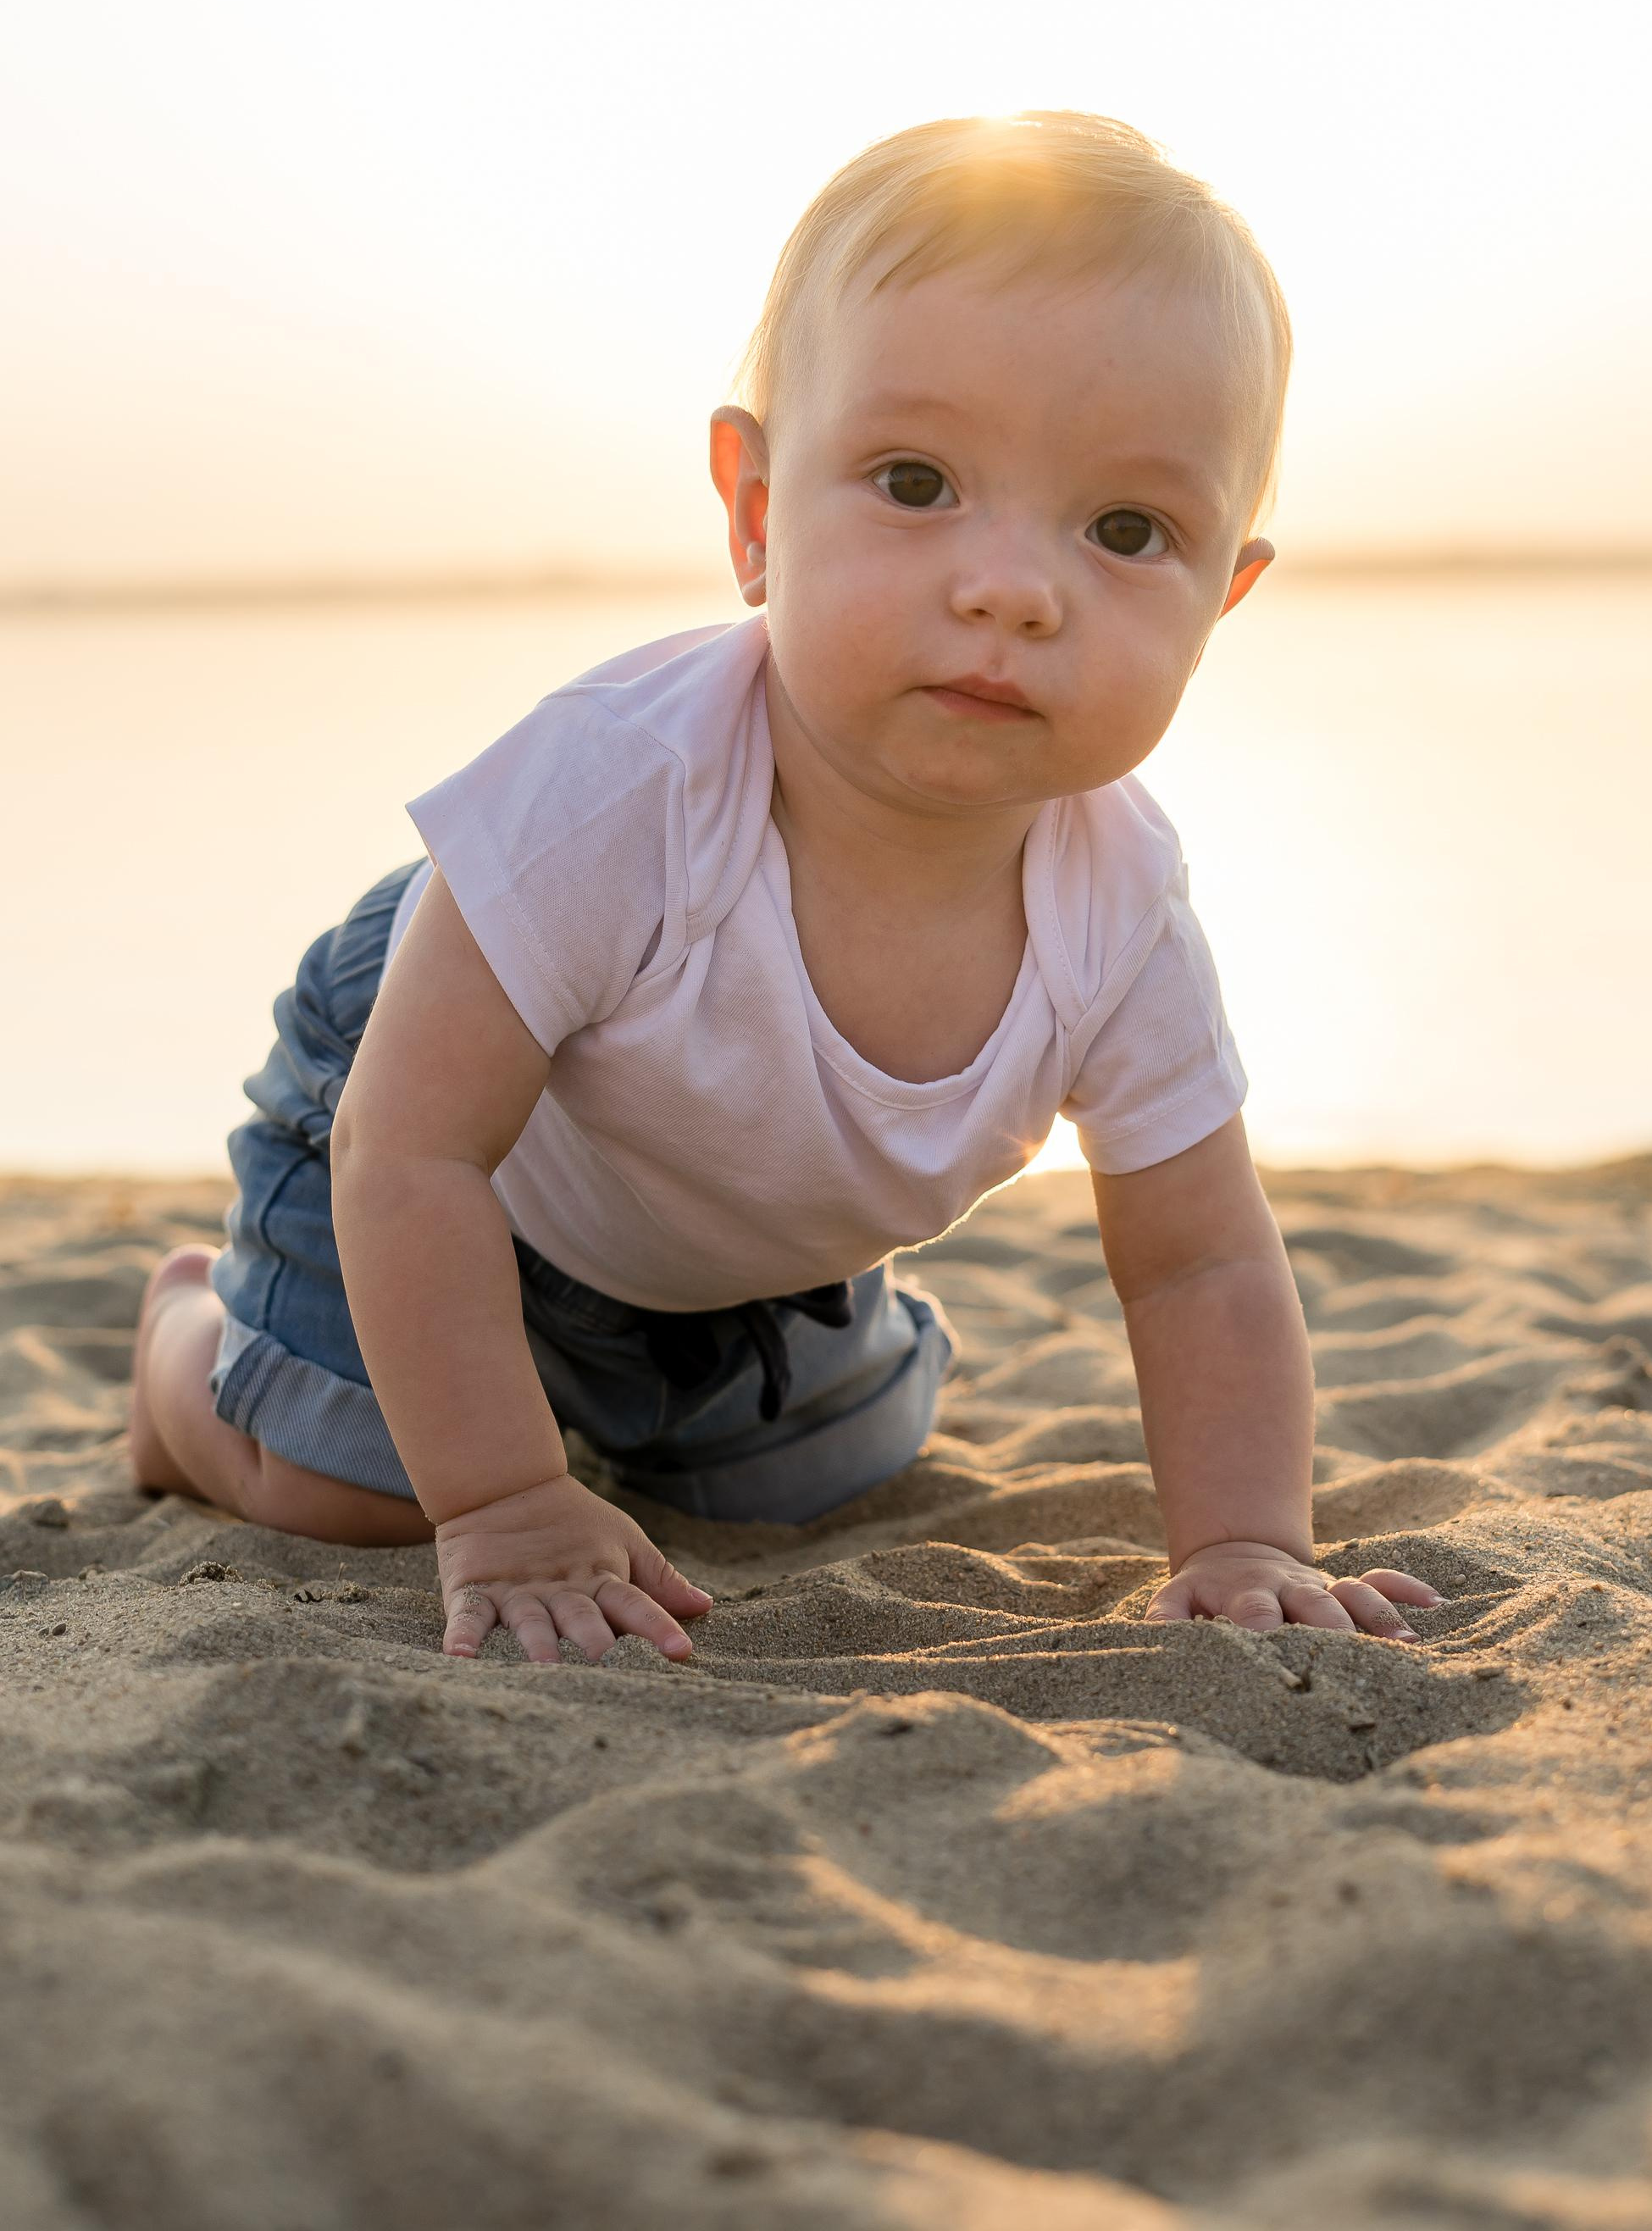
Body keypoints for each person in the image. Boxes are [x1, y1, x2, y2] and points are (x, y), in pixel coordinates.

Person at [127, 110, 1443, 1667]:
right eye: (914, 480)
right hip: (434, 1146)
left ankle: (666, 1394)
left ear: (1223, 595)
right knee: (355, 1489)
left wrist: (1242, 1541)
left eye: (1127, 530)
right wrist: (503, 1505)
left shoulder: (1122, 904)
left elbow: (1203, 1259)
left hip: (737, 1252)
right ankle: (180, 1345)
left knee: (829, 1479)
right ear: (755, 512)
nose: (1013, 588)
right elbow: (408, 1151)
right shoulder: (621, 792)